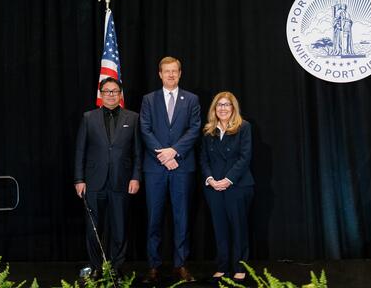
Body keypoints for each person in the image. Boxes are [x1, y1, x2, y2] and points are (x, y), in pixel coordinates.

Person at [140, 56, 201, 283]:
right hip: (155, 168)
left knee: (182, 217)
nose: (171, 75)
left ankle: (180, 264)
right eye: (167, 71)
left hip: (182, 167)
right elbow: (145, 129)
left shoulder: (192, 100)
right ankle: (153, 266)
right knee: (154, 218)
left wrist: (174, 151)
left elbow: (194, 129)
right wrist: (164, 156)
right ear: (160, 74)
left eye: (174, 71)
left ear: (180, 73)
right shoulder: (148, 99)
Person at [74, 77, 142, 278]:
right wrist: (79, 179)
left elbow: (138, 152)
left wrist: (135, 177)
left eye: (115, 91)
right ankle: (96, 267)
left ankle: (116, 268)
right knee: (93, 229)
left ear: (120, 94)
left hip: (122, 181)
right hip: (94, 182)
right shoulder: (88, 118)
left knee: (119, 228)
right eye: (107, 91)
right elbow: (80, 151)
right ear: (101, 94)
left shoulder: (133, 118)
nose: (111, 95)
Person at [200, 91, 254, 283]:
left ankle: (240, 266)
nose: (223, 108)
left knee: (238, 227)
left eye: (227, 105)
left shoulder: (244, 127)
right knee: (219, 227)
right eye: (219, 105)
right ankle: (223, 266)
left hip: (237, 186)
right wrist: (210, 179)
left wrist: (228, 179)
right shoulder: (208, 131)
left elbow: (245, 157)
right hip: (213, 187)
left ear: (233, 108)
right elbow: (203, 159)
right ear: (214, 109)